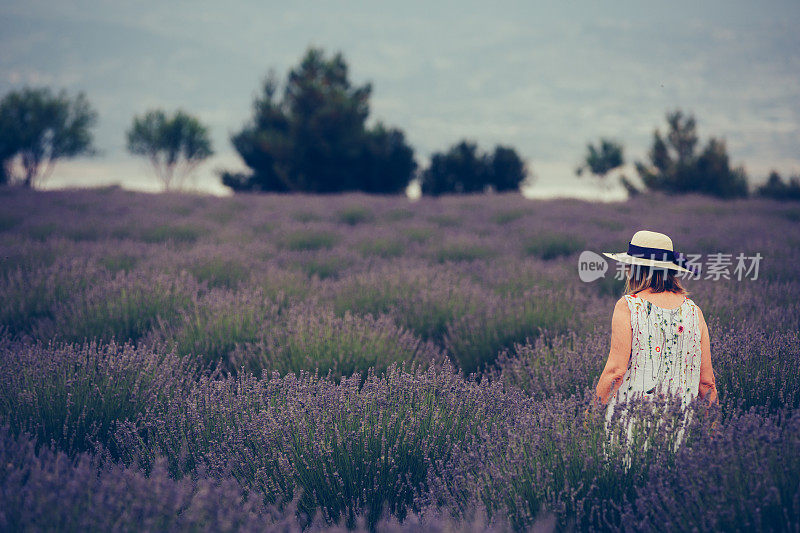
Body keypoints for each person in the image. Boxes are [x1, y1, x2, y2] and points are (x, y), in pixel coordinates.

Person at [588, 230, 719, 466]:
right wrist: (714, 433)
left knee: (626, 491)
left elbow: (615, 372)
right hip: (679, 426)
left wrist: (590, 416)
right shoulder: (693, 311)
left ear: (634, 269)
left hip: (630, 425)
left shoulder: (629, 306)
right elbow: (706, 382)